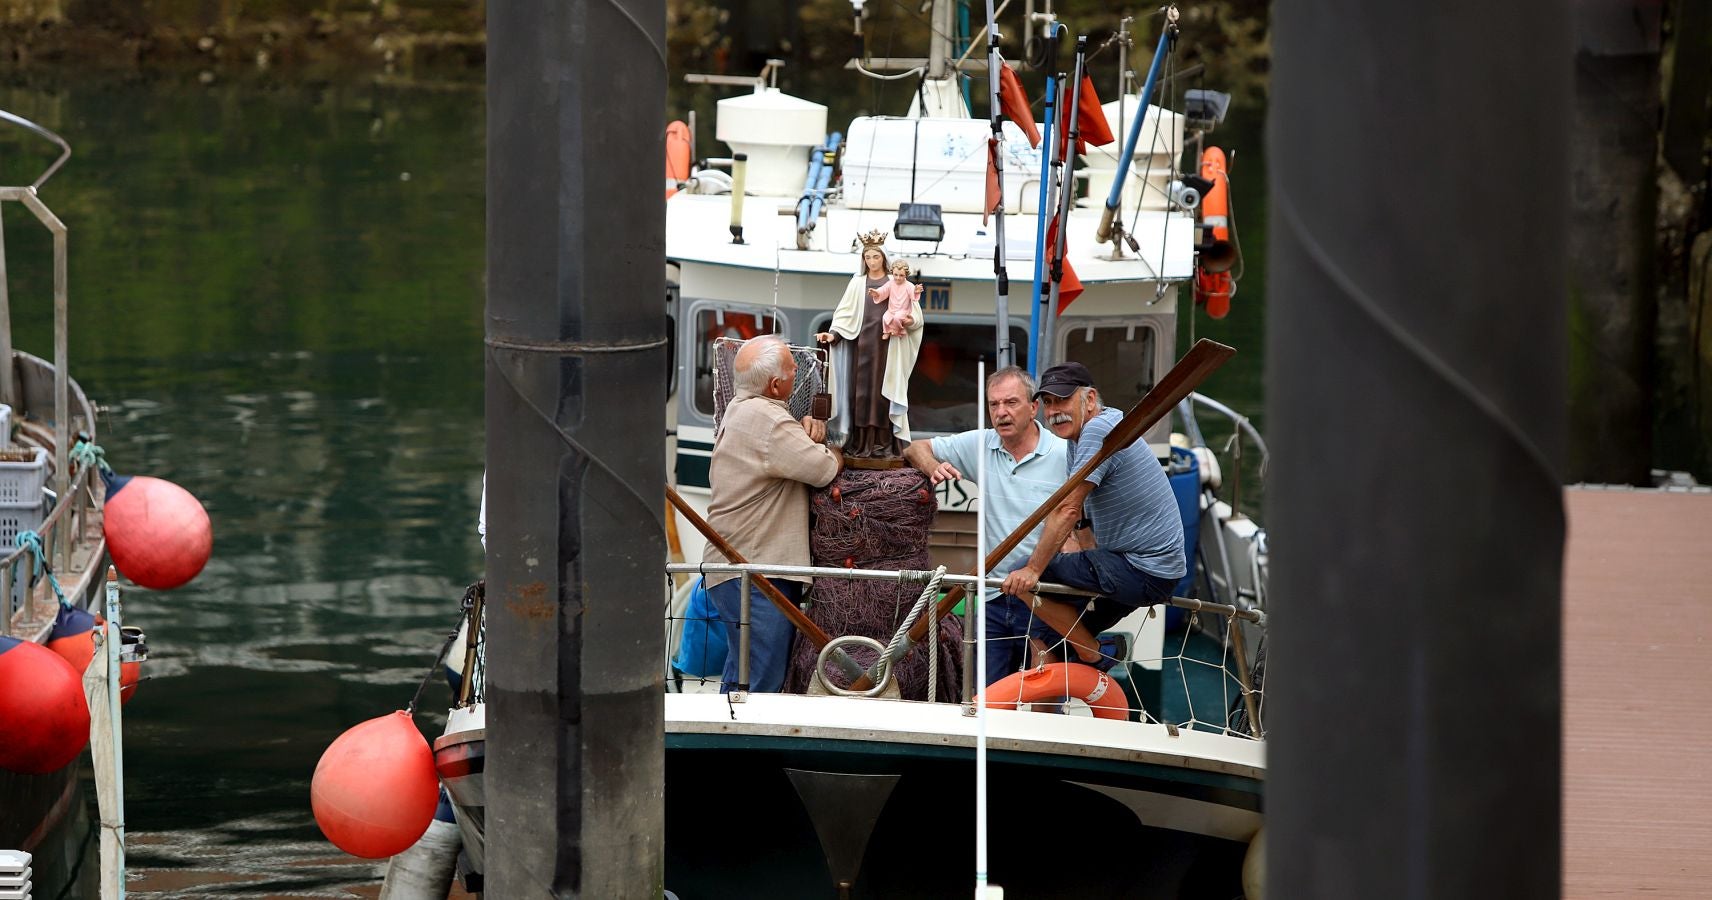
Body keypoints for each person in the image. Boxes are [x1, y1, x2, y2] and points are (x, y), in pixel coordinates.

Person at [998, 361, 1185, 670]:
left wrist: (1032, 570)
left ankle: (1094, 653)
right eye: (1048, 402)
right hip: (1138, 566)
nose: (1054, 410)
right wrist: (1086, 555)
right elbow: (1080, 513)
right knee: (1049, 636)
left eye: (1062, 400)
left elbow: (1068, 508)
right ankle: (1087, 664)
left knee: (1025, 574)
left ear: (1089, 399)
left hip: (1143, 569)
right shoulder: (1082, 437)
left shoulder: (1099, 429)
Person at [902, 366, 1069, 685]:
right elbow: (914, 448)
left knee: (1043, 694)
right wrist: (934, 468)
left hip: (1043, 596)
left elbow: (1079, 513)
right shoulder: (981, 444)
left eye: (1011, 403)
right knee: (983, 697)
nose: (1001, 413)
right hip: (992, 595)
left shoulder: (1064, 453)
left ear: (1034, 407)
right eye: (994, 405)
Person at [703, 335, 841, 692]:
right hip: (757, 572)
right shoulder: (769, 421)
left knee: (740, 676)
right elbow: (823, 468)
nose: (798, 370)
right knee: (762, 681)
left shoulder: (741, 408)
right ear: (776, 385)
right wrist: (827, 444)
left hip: (736, 570)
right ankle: (748, 747)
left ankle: (723, 742)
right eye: (792, 368)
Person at [814, 231, 924, 458]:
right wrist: (833, 335)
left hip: (887, 350)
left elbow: (915, 314)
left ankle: (884, 445)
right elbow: (844, 315)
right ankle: (860, 444)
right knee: (860, 395)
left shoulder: (897, 282)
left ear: (884, 258)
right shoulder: (857, 283)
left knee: (883, 396)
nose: (872, 262)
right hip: (860, 348)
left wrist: (910, 320)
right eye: (868, 257)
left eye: (876, 257)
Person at [868, 259, 923, 339]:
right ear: (892, 273)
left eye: (901, 275)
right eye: (895, 275)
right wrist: (876, 293)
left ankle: (899, 331)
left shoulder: (909, 285)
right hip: (892, 309)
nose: (898, 278)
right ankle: (886, 331)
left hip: (903, 310)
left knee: (897, 318)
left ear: (906, 275)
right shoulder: (890, 283)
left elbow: (913, 296)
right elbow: (883, 290)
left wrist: (916, 291)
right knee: (885, 317)